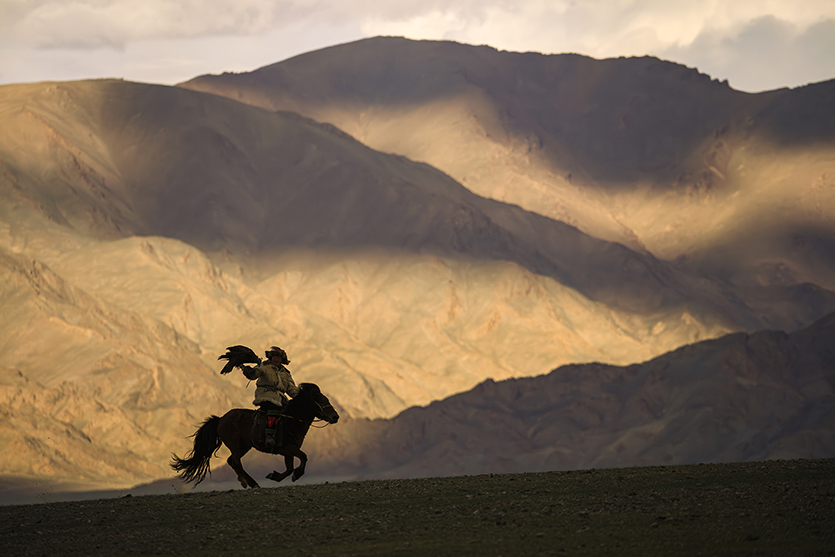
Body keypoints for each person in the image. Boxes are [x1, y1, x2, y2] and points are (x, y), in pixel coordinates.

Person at [240, 346, 300, 448]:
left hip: (280, 398)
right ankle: (269, 436)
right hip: (265, 395)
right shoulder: (264, 366)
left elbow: (291, 389)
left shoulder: (286, 373)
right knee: (273, 407)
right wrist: (249, 371)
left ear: (282, 360)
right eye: (274, 357)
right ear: (271, 357)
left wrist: (301, 396)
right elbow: (255, 373)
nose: (276, 359)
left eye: (278, 357)